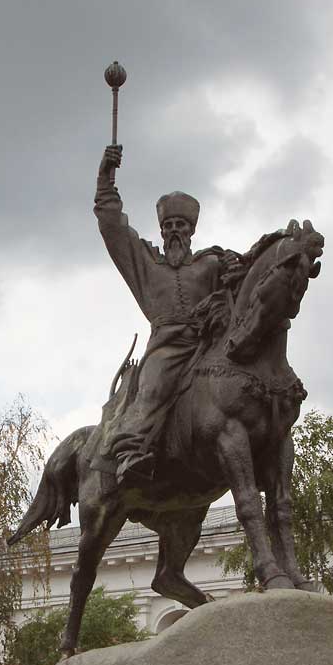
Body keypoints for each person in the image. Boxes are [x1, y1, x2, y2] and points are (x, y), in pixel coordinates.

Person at [94, 144, 242, 485]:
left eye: (181, 225)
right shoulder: (145, 262)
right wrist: (105, 178)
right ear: (162, 230)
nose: (175, 230)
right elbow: (111, 226)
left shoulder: (210, 260)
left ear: (191, 231)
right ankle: (129, 453)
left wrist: (236, 266)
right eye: (169, 225)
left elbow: (242, 283)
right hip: (167, 347)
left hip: (209, 345)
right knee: (153, 386)